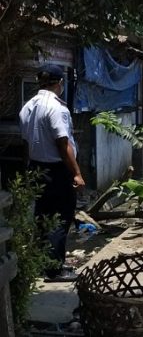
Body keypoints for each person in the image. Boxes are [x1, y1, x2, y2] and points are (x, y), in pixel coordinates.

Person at [19, 64, 85, 282]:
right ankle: (55, 270)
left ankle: (42, 263)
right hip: (57, 169)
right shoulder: (57, 108)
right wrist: (76, 173)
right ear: (59, 83)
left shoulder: (28, 106)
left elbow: (27, 141)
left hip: (37, 167)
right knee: (60, 218)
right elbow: (62, 142)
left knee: (42, 216)